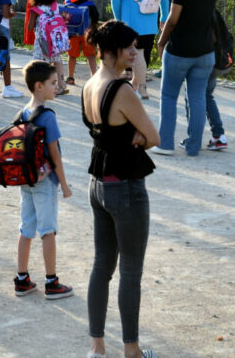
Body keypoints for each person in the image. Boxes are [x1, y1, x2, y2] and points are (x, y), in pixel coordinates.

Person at [81, 20, 160, 358]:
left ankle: (97, 348)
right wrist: (139, 137)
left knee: (102, 267)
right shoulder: (122, 90)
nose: (134, 52)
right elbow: (154, 138)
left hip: (98, 183)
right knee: (130, 271)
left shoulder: (89, 85)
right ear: (111, 51)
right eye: (129, 47)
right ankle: (132, 352)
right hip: (125, 187)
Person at [12, 60, 74, 300]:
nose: (56, 87)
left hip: (26, 180)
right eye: (52, 83)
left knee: (26, 229)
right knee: (48, 231)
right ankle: (52, 282)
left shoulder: (22, 113)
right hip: (45, 181)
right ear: (38, 86)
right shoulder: (47, 116)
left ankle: (22, 278)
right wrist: (65, 185)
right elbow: (55, 153)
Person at [154, 0, 219, 156]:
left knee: (168, 96)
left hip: (179, 51)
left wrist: (161, 42)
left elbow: (172, 20)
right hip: (205, 53)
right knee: (198, 97)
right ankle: (193, 146)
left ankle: (165, 144)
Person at [111, 0, 169, 100]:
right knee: (141, 54)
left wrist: (118, 20)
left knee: (136, 55)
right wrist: (164, 17)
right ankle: (135, 86)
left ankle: (142, 88)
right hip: (150, 22)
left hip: (131, 23)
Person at [27, 0, 69, 94]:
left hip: (42, 42)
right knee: (58, 62)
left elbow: (30, 27)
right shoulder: (55, 6)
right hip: (56, 41)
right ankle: (61, 85)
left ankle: (42, 88)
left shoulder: (36, 10)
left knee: (39, 64)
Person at [63, 0, 100, 84]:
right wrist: (92, 28)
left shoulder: (67, 2)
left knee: (72, 56)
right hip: (86, 34)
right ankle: (94, 77)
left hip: (73, 34)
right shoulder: (88, 1)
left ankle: (70, 78)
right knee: (91, 55)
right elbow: (96, 16)